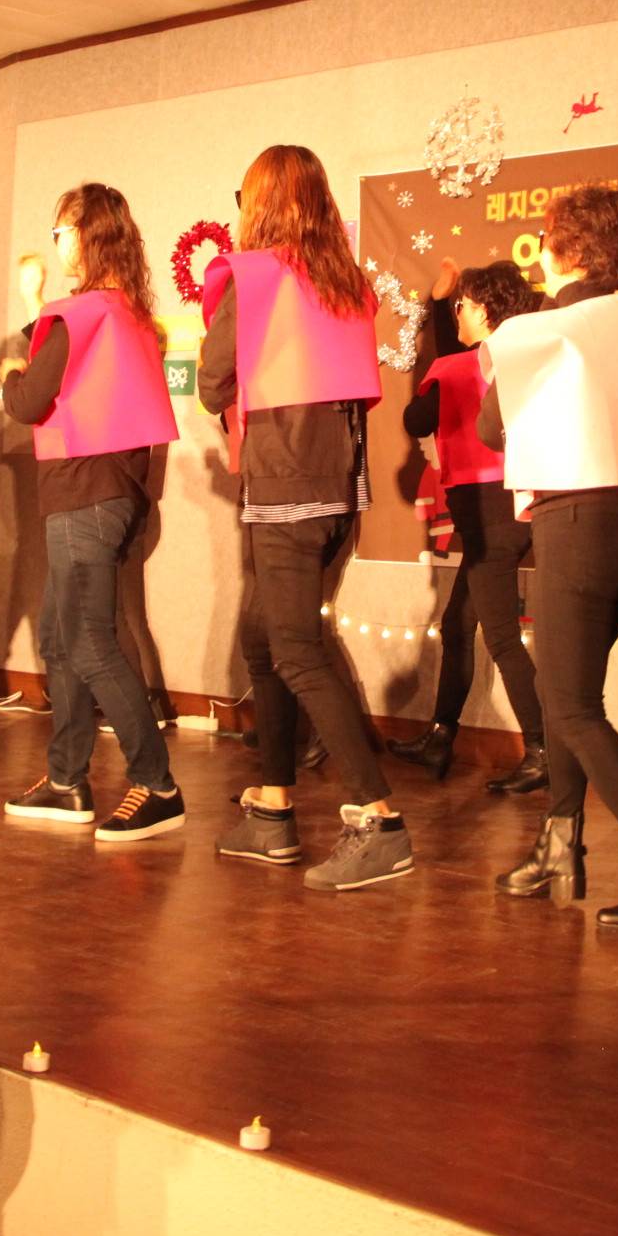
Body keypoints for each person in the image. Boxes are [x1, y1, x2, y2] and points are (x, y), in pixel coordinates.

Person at [481, 186, 618, 930]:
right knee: (562, 693)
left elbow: (488, 427)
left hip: (576, 521)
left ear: (564, 249)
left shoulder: (541, 327)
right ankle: (558, 841)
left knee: (572, 705)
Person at [199, 144, 413, 892]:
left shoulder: (254, 277)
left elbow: (212, 383)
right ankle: (273, 807)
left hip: (284, 487)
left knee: (293, 649)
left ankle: (380, 821)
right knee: (266, 637)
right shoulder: (348, 282)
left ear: (259, 204)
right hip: (340, 490)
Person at [0, 183, 187, 841]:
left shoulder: (80, 316)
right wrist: (34, 306)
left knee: (86, 640)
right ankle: (66, 779)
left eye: (60, 232)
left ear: (84, 235)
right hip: (108, 494)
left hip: (83, 495)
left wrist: (9, 370)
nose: (56, 243)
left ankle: (157, 783)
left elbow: (27, 401)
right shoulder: (126, 313)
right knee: (60, 635)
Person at [394, 260, 546, 789]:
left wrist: (430, 387)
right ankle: (441, 736)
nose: (458, 313)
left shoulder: (456, 368)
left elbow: (417, 418)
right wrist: (441, 306)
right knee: (458, 624)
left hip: (487, 516)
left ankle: (543, 749)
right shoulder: (518, 357)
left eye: (462, 305)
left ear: (482, 311)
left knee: (501, 638)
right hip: (515, 507)